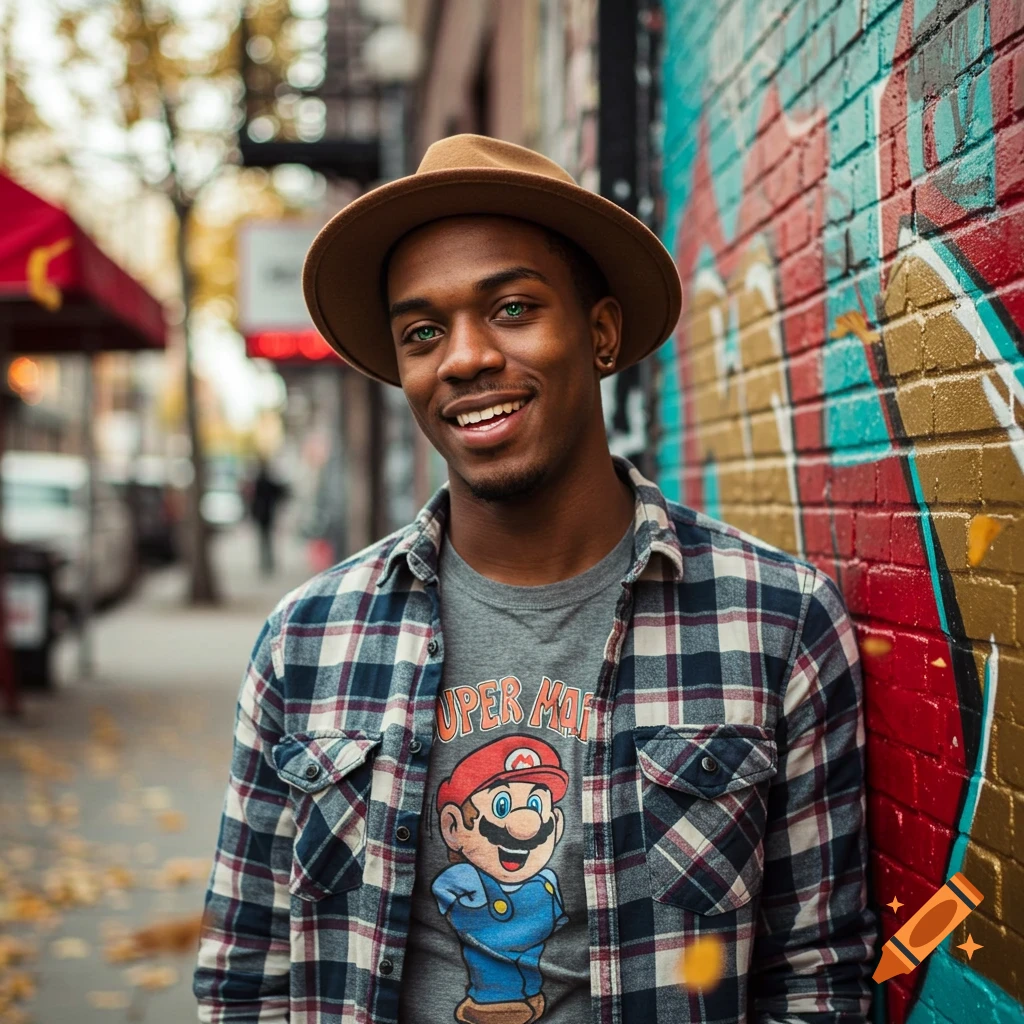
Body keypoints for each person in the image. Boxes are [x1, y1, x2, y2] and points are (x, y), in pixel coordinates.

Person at [194, 135, 876, 1024]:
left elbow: (818, 981)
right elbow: (247, 974)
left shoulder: (776, 625)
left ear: (599, 333)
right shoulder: (308, 642)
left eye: (512, 308)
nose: (464, 357)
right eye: (423, 332)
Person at [248, 459, 287, 575]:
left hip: (262, 515)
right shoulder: (268, 483)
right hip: (268, 515)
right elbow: (282, 492)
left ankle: (265, 564)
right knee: (268, 541)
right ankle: (268, 564)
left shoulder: (258, 483)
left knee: (263, 541)